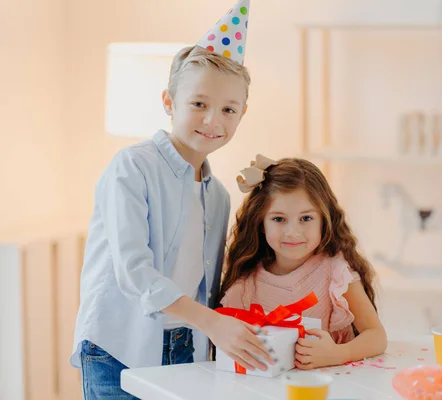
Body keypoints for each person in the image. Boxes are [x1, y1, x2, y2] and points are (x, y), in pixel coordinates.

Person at [70, 1, 274, 398]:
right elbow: (133, 270)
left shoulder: (217, 195)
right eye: (199, 104)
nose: (213, 120)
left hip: (187, 347)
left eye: (228, 109)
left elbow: (208, 286)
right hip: (119, 346)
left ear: (242, 114)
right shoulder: (132, 167)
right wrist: (214, 323)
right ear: (169, 102)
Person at [219, 155, 387, 370]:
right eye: (279, 219)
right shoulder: (245, 284)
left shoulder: (335, 273)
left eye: (306, 218)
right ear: (260, 223)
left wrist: (338, 353)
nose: (293, 232)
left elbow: (376, 336)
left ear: (324, 220)